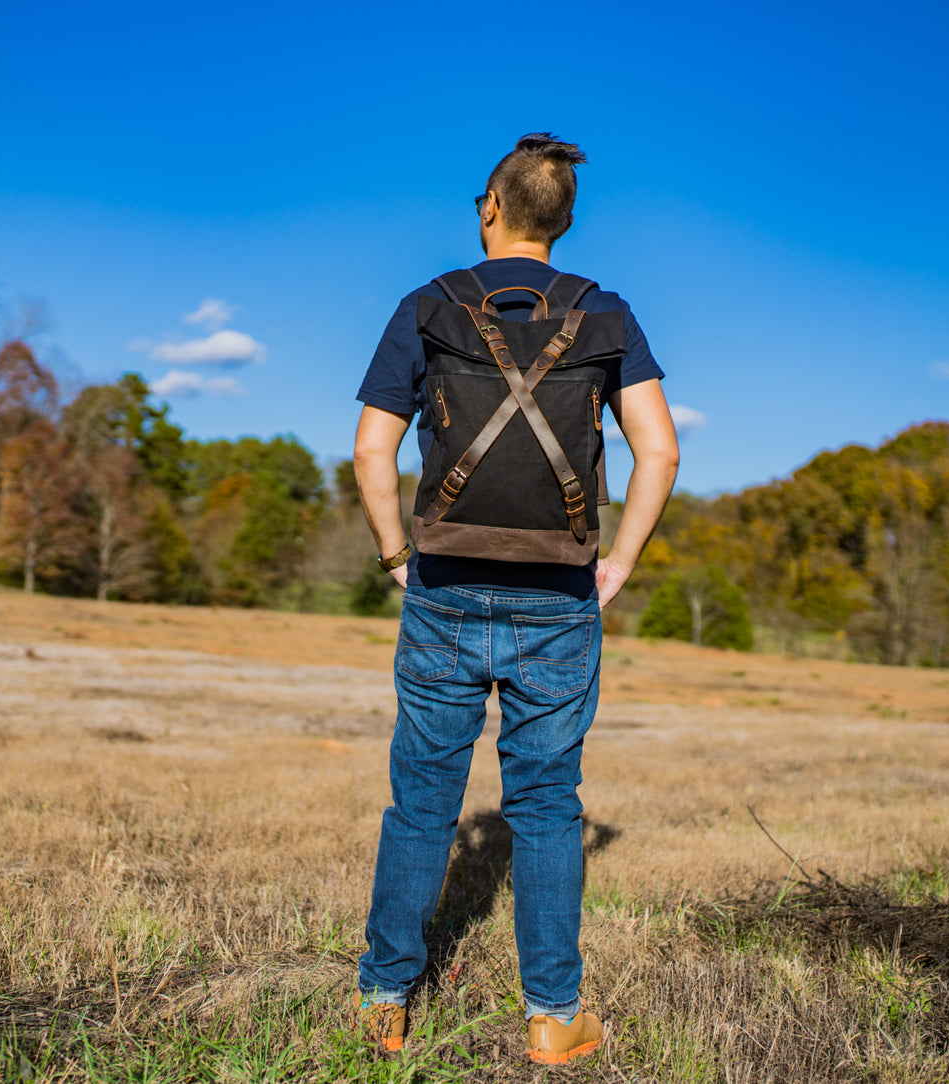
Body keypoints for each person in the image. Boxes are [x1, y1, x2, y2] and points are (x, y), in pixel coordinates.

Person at [351, 133, 680, 1065]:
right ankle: (552, 1018)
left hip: (446, 584)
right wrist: (615, 564)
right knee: (544, 807)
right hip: (560, 595)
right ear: (563, 221)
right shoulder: (606, 315)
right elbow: (659, 452)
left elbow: (373, 451)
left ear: (489, 207)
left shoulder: (427, 305)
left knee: (421, 805)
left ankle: (384, 1005)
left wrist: (393, 558)